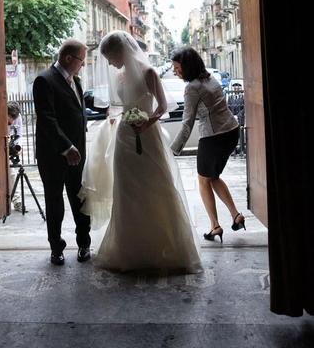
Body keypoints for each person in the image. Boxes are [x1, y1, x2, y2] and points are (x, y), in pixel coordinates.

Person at [79, 30, 202, 275]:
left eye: (110, 56)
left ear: (120, 51)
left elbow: (164, 106)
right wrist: (114, 119)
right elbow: (118, 107)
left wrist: (147, 122)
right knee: (125, 190)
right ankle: (128, 248)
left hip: (147, 135)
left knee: (155, 188)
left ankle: (163, 247)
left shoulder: (149, 72)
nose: (109, 62)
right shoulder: (119, 76)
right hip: (124, 136)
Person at [170, 47, 246, 243]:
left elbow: (187, 123)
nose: (175, 72)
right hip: (231, 130)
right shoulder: (210, 79)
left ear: (188, 67)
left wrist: (173, 150)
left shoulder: (192, 88)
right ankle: (236, 216)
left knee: (203, 181)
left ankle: (215, 226)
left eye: (177, 68)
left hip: (214, 136)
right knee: (212, 177)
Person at [33, 39, 91, 266]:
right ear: (68, 58)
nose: (83, 65)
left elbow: (75, 111)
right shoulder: (44, 80)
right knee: (55, 202)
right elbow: (47, 119)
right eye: (81, 60)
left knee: (80, 200)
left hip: (78, 154)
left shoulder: (75, 80)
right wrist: (67, 147)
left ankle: (84, 244)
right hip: (54, 156)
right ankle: (56, 248)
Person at [7, 101, 23, 211]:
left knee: (12, 174)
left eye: (14, 118)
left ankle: (17, 200)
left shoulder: (18, 117)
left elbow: (19, 135)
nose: (12, 121)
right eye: (10, 118)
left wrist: (19, 147)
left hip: (10, 145)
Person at [227, 83, 245, 155]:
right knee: (233, 135)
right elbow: (228, 107)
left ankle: (241, 150)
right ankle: (233, 150)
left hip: (240, 118)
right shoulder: (230, 97)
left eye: (237, 88)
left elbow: (244, 107)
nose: (236, 89)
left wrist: (238, 115)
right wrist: (232, 115)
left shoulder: (242, 97)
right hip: (232, 118)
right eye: (234, 88)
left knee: (241, 134)